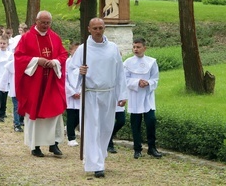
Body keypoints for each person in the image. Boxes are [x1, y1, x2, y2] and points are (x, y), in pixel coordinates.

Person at [68, 17, 128, 178]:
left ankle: (100, 157)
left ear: (104, 28)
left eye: (100, 28)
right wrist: (79, 72)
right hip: (90, 94)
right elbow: (71, 70)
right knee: (91, 129)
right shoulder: (83, 49)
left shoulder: (113, 48)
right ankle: (96, 164)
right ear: (89, 29)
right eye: (95, 28)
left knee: (105, 128)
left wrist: (122, 94)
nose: (98, 31)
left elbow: (119, 72)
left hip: (108, 93)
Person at [14, 10, 68, 157]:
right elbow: (19, 57)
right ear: (36, 21)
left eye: (47, 23)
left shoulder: (54, 37)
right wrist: (37, 60)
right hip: (34, 84)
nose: (45, 25)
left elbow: (63, 54)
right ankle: (35, 146)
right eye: (43, 22)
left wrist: (55, 62)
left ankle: (54, 144)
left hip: (51, 83)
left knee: (54, 111)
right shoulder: (26, 38)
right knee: (35, 113)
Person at [124, 38, 162, 159]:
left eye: (138, 47)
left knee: (151, 121)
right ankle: (137, 148)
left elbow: (155, 78)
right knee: (136, 124)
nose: (136, 49)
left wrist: (148, 83)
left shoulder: (151, 62)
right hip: (135, 96)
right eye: (134, 47)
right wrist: (137, 82)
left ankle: (152, 147)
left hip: (147, 96)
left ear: (144, 48)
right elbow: (124, 79)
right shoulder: (127, 62)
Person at [65, 41, 81, 147]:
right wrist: (71, 92)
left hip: (80, 94)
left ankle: (69, 128)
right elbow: (64, 79)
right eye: (75, 50)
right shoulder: (67, 63)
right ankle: (71, 137)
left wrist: (80, 91)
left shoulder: (82, 63)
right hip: (70, 94)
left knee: (79, 116)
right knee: (71, 115)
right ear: (70, 51)